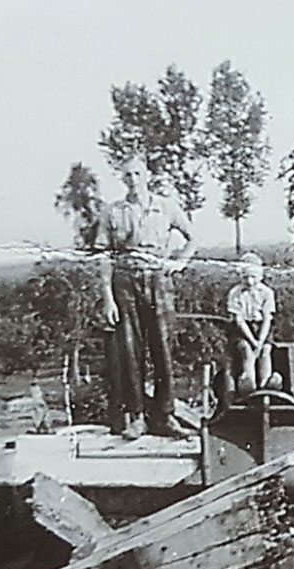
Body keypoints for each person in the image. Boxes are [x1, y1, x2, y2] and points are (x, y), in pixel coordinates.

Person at [98, 154, 195, 440]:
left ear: (147, 175)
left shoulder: (165, 207)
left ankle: (164, 416)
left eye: (137, 174)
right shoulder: (112, 212)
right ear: (122, 178)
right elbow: (103, 254)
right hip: (124, 282)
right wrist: (107, 296)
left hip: (158, 281)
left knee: (162, 348)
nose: (133, 180)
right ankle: (137, 416)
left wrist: (179, 263)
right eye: (127, 175)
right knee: (130, 350)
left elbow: (192, 238)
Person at [226, 253, 278, 395]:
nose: (249, 281)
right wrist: (253, 341)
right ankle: (249, 383)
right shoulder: (235, 293)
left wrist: (260, 341)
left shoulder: (267, 292)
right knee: (246, 351)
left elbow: (268, 318)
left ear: (260, 277)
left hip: (262, 327)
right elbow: (239, 320)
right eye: (245, 277)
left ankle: (266, 384)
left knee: (265, 351)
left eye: (253, 277)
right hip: (243, 330)